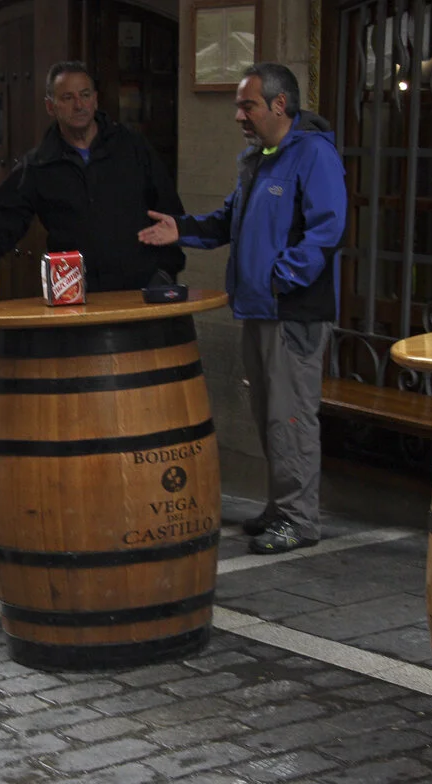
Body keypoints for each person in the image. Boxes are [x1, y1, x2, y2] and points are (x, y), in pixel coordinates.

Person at [138, 62, 346, 555]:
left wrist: (280, 279)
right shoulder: (259, 160)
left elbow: (327, 230)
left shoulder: (313, 154)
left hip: (292, 312)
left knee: (291, 416)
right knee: (270, 415)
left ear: (279, 104)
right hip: (260, 309)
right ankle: (282, 507)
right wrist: (182, 229)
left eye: (246, 105)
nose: (238, 116)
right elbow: (229, 219)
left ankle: (300, 519)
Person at [0, 60, 185, 290]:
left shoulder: (132, 147)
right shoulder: (40, 164)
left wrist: (164, 271)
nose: (79, 105)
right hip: (75, 293)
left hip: (141, 287)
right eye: (68, 98)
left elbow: (169, 210)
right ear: (50, 106)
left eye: (85, 95)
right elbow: (2, 221)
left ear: (95, 100)